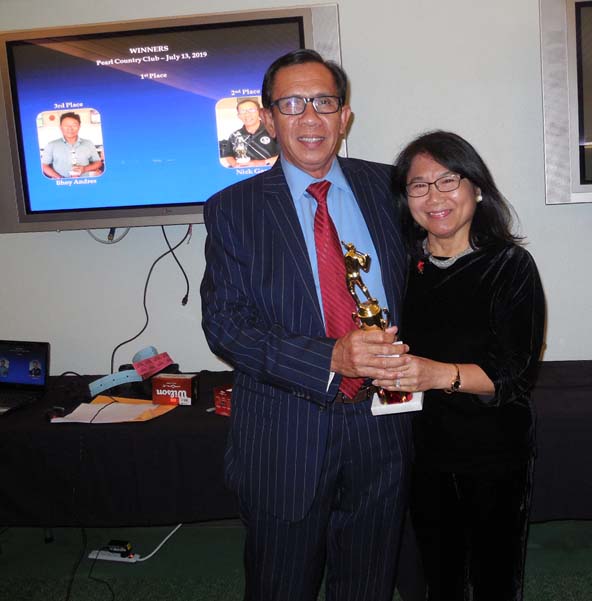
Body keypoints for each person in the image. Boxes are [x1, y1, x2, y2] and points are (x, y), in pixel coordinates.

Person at [200, 49, 412, 601]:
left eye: (324, 102)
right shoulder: (233, 209)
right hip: (284, 434)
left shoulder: (392, 189)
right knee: (280, 585)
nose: (311, 117)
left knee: (368, 583)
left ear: (345, 116)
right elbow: (225, 324)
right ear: (269, 120)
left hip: (383, 427)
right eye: (292, 104)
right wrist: (330, 358)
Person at [375, 130, 545, 601]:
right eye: (419, 185)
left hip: (493, 450)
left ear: (477, 188)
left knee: (494, 578)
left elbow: (515, 375)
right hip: (420, 450)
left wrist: (436, 374)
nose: (435, 197)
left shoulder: (509, 265)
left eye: (448, 180)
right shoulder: (398, 269)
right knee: (439, 577)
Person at [41, 112, 103, 178]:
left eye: (74, 125)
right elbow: (44, 165)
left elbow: (98, 163)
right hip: (60, 183)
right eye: (66, 125)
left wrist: (85, 169)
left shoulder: (88, 143)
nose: (70, 128)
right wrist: (60, 179)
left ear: (79, 126)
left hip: (85, 182)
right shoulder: (51, 145)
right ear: (60, 127)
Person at [220, 98, 279, 168]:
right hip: (243, 173)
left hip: (270, 171)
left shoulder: (274, 131)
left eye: (251, 110)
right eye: (242, 111)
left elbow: (283, 156)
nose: (247, 114)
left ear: (259, 112)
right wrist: (235, 165)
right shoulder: (234, 135)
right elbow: (228, 155)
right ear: (238, 115)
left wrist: (261, 163)